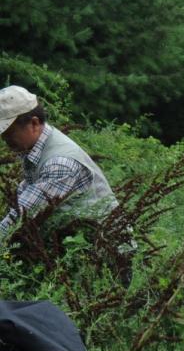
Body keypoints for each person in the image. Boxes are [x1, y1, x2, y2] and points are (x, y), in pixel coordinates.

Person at [0, 86, 118, 242]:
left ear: (34, 123)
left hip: (108, 254)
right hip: (80, 244)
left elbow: (22, 216)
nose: (5, 140)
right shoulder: (38, 147)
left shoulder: (59, 163)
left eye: (9, 133)